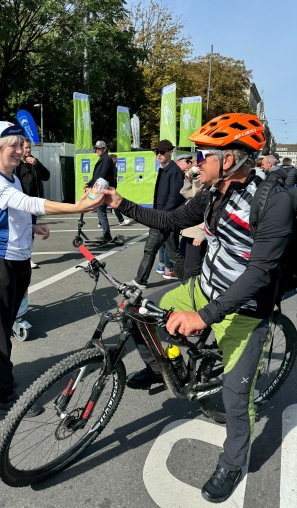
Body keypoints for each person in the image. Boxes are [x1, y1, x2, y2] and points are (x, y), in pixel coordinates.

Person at [102, 113, 293, 503]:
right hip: (202, 289)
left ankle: (235, 462)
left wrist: (203, 317)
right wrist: (121, 203)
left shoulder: (271, 203)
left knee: (237, 402)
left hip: (243, 309)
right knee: (138, 312)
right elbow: (170, 219)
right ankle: (162, 370)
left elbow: (259, 272)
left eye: (203, 153)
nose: (194, 161)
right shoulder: (213, 193)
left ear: (231, 159)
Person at [0, 121, 103, 414]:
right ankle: (6, 396)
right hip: (0, 263)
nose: (20, 151)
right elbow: (27, 202)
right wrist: (76, 208)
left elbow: (18, 212)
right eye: (14, 145)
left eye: (22, 145)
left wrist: (34, 228)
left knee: (1, 324)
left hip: (19, 261)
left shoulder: (13, 178)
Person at [127, 139, 184, 289]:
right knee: (153, 249)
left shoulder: (175, 171)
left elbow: (175, 197)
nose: (158, 154)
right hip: (159, 217)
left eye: (162, 152)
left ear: (170, 152)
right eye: (156, 152)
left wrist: (163, 217)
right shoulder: (164, 169)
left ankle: (188, 282)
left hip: (166, 219)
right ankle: (141, 280)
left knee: (171, 254)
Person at [14, 138, 50, 268]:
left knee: (30, 230)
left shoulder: (34, 161)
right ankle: (19, 257)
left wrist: (37, 164)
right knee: (21, 230)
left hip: (33, 203)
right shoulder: (17, 164)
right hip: (20, 203)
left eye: (29, 148)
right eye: (26, 148)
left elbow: (46, 176)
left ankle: (28, 256)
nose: (28, 150)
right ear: (20, 148)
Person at [176, 155, 206, 281]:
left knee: (192, 268)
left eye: (195, 164)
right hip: (189, 230)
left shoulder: (208, 182)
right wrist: (188, 179)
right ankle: (187, 291)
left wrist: (201, 233)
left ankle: (190, 295)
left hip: (197, 232)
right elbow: (186, 194)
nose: (192, 166)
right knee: (186, 264)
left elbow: (209, 210)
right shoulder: (198, 179)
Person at [85, 140, 116, 246]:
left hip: (104, 189)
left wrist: (93, 187)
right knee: (101, 211)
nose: (97, 150)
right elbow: (96, 176)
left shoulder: (106, 159)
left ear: (105, 149)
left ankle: (107, 236)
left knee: (101, 211)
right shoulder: (103, 159)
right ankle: (107, 235)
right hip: (102, 188)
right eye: (96, 149)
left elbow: (102, 175)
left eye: (99, 148)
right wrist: (89, 184)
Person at [109, 153, 131, 226]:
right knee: (116, 204)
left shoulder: (107, 167)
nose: (117, 160)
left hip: (107, 188)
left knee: (102, 207)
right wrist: (113, 189)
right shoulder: (113, 167)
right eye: (116, 159)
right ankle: (121, 220)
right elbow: (113, 179)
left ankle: (101, 223)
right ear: (113, 159)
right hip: (111, 189)